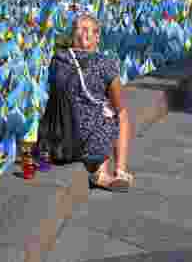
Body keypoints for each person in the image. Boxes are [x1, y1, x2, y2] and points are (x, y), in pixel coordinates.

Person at [47, 12, 134, 191]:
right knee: (119, 114)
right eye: (84, 30)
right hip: (88, 143)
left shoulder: (57, 60)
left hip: (58, 140)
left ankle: (102, 173)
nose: (84, 33)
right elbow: (119, 104)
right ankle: (118, 170)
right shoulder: (105, 63)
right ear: (97, 38)